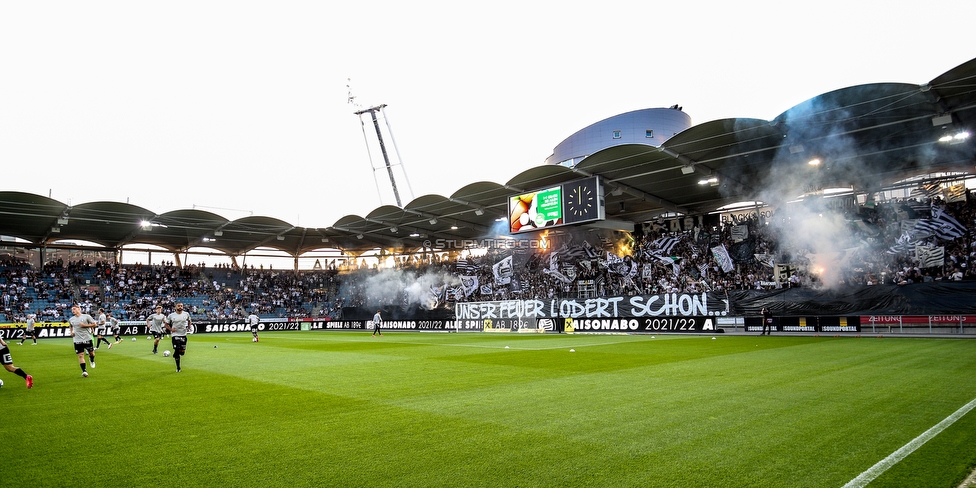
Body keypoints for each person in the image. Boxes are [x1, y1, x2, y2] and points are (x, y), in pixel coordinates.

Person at [69, 304, 98, 377]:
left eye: (74, 309)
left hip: (87, 338)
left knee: (92, 353)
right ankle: (84, 371)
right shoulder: (71, 319)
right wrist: (71, 331)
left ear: (79, 309)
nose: (73, 311)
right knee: (80, 355)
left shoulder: (86, 316)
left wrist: (85, 326)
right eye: (72, 309)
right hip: (77, 340)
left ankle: (91, 359)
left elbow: (94, 325)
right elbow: (70, 325)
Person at [164, 302, 191, 372]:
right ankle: (178, 368)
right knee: (177, 349)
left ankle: (175, 354)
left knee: (182, 352)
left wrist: (189, 327)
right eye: (178, 306)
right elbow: (166, 324)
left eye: (181, 306)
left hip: (183, 335)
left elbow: (189, 321)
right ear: (175, 307)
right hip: (175, 335)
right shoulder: (171, 315)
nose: (180, 307)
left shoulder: (186, 314)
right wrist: (171, 329)